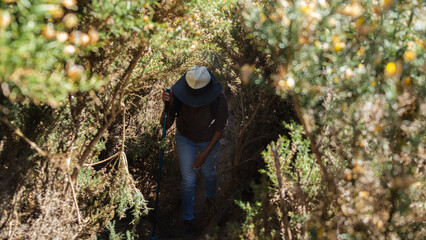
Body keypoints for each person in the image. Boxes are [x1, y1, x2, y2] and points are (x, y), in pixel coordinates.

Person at [160, 65, 229, 237]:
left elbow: (220, 128)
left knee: (208, 171)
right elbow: (165, 125)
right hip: (185, 137)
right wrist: (166, 106)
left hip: (209, 138)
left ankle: (210, 198)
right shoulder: (178, 94)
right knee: (188, 180)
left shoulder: (219, 97)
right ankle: (188, 220)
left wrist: (204, 155)